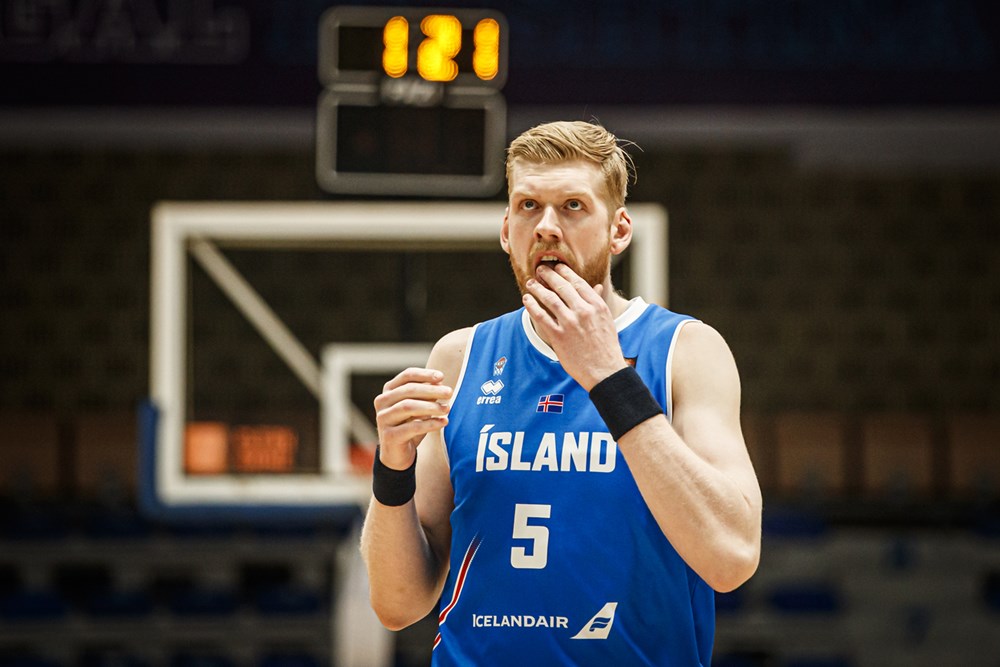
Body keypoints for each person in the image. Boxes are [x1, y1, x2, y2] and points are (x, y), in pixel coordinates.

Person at [361, 120, 762, 665]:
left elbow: (732, 558)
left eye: (573, 206)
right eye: (529, 206)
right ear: (507, 230)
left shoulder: (685, 351)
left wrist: (608, 377)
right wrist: (391, 467)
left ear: (619, 230)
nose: (547, 227)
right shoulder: (460, 357)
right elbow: (397, 603)